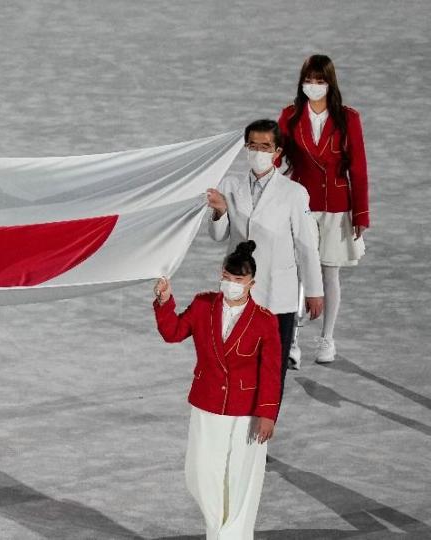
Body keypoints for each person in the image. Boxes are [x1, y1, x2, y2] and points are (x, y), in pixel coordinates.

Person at [153, 240, 281, 540]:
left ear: (252, 283)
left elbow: (272, 372)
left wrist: (267, 414)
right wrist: (165, 302)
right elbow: (173, 333)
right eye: (227, 277)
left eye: (238, 280)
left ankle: (231, 536)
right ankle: (216, 529)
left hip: (246, 411)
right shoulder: (203, 305)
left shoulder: (264, 321)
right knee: (201, 474)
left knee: (240, 478)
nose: (231, 284)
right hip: (207, 403)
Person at [206, 119, 324, 397]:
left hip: (277, 297)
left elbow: (307, 246)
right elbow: (218, 235)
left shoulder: (294, 193)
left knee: (271, 371)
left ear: (277, 151)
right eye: (252, 146)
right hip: (239, 292)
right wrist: (220, 211)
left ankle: (263, 429)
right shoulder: (229, 185)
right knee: (236, 365)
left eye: (265, 146)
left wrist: (315, 291)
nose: (258, 152)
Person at [278, 54, 369, 364]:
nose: (314, 86)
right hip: (300, 204)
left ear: (330, 83)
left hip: (336, 207)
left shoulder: (348, 118)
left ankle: (327, 340)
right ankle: (292, 342)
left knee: (329, 274)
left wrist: (361, 213)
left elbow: (358, 169)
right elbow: (276, 156)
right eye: (309, 80)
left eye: (320, 80)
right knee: (299, 274)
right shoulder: (289, 116)